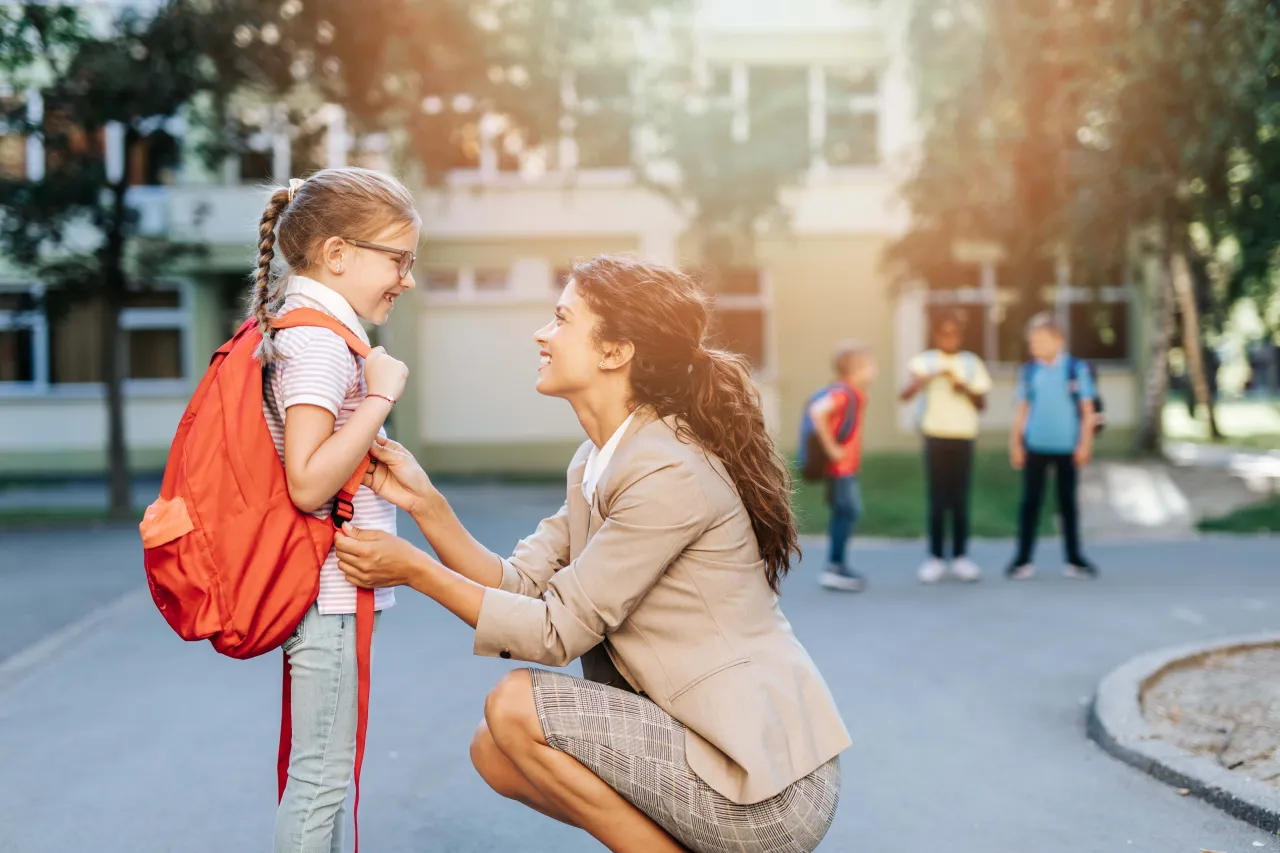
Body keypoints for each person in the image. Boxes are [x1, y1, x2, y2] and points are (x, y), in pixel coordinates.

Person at [331, 255, 850, 853]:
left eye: (561, 319)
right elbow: (520, 585)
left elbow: (555, 632)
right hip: (705, 749)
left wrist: (416, 570)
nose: (541, 334)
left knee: (517, 705)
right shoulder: (599, 461)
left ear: (614, 352)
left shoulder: (667, 471)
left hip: (764, 786)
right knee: (494, 752)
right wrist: (425, 503)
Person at [253, 167, 417, 852]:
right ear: (339, 253)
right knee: (321, 779)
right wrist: (379, 395)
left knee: (322, 776)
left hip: (328, 590)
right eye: (398, 260)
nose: (406, 278)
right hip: (326, 593)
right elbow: (308, 481)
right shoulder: (320, 341)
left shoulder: (311, 330)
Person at [900, 310, 992, 583]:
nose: (949, 338)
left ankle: (962, 557)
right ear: (937, 336)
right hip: (935, 434)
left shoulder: (971, 363)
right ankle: (936, 557)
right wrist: (925, 379)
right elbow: (905, 395)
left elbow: (982, 404)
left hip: (963, 435)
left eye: (954, 334)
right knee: (938, 497)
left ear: (960, 336)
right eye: (944, 334)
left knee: (960, 497)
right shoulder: (924, 361)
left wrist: (961, 386)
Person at [1007, 312, 1099, 580]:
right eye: (1032, 342)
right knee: (1030, 504)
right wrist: (1015, 444)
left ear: (1058, 340)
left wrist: (1085, 444)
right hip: (1035, 445)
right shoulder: (1030, 372)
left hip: (1067, 447)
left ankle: (1074, 558)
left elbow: (1087, 410)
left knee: (1068, 504)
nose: (1034, 346)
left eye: (1040, 340)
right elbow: (1021, 411)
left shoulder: (1075, 370)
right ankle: (1022, 559)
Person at [806, 343, 876, 592]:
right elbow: (818, 412)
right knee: (847, 512)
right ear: (855, 369)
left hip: (845, 468)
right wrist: (833, 449)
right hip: (840, 469)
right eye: (869, 365)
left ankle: (837, 565)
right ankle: (834, 567)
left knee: (846, 513)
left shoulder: (852, 392)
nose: (873, 370)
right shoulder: (846, 393)